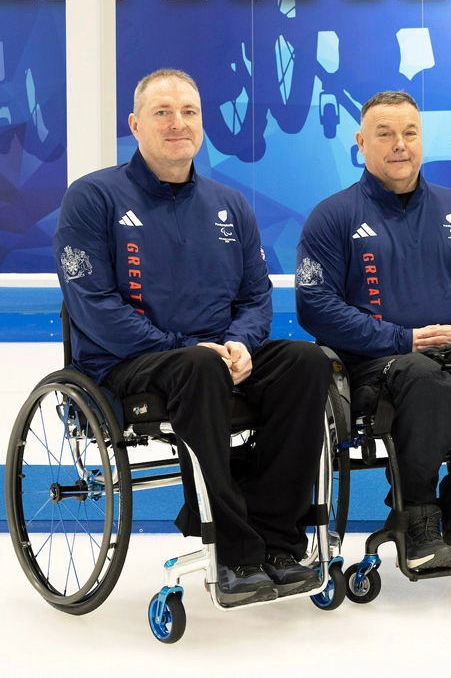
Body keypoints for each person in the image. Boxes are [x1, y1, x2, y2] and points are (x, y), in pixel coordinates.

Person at [54, 69, 333, 605]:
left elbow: (256, 298)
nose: (178, 123)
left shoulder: (230, 205)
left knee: (307, 361)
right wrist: (183, 346)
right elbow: (95, 307)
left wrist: (241, 345)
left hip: (217, 357)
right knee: (197, 367)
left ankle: (277, 538)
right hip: (129, 362)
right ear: (135, 125)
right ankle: (231, 549)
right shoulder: (93, 198)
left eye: (189, 112)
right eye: (162, 112)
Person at [296, 91, 451, 571]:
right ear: (361, 143)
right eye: (385, 134)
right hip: (373, 366)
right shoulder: (333, 216)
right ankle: (416, 514)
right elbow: (315, 306)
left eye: (410, 133)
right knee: (423, 377)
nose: (400, 145)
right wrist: (402, 338)